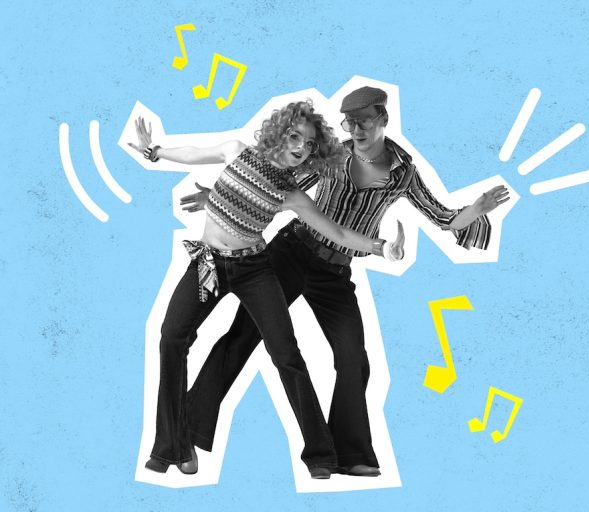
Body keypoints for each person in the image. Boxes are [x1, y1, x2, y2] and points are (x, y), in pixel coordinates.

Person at [182, 86, 510, 477]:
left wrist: (478, 208)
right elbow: (277, 182)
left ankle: (349, 455)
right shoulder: (332, 156)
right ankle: (187, 430)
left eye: (364, 121)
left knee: (353, 358)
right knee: (244, 335)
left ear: (383, 119)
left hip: (335, 274)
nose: (356, 129)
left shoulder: (404, 174)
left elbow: (443, 219)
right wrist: (222, 195)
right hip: (292, 251)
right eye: (349, 122)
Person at [127, 100, 405, 479]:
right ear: (278, 133)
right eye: (295, 137)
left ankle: (321, 455)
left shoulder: (292, 194)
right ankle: (172, 445)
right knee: (171, 337)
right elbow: (193, 154)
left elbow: (337, 232)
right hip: (208, 264)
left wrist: (381, 247)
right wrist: (155, 151)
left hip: (253, 270)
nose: (301, 147)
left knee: (286, 354)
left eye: (309, 144)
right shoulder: (235, 151)